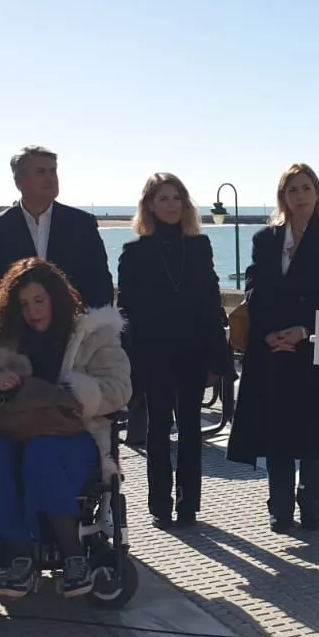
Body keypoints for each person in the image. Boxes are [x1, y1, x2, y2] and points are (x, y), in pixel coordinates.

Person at [0, 258, 131, 598]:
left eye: (39, 301)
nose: (32, 311)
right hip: (11, 432)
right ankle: (19, 554)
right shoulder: (0, 337)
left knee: (41, 451)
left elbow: (119, 387)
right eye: (22, 304)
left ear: (56, 298)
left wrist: (75, 394)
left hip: (74, 435)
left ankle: (73, 553)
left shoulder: (93, 335)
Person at [226, 163, 319, 532]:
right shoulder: (265, 238)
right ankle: (279, 507)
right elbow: (254, 288)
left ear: (317, 193)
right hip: (272, 348)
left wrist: (303, 329)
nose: (300, 196)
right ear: (283, 196)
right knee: (277, 434)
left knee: (315, 436)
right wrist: (269, 333)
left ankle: (313, 505)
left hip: (315, 346)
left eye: (306, 188)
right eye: (292, 190)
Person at [117, 173, 232, 528]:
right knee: (157, 427)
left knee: (191, 428)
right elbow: (127, 310)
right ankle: (159, 503)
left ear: (185, 205)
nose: (170, 204)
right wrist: (132, 358)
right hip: (153, 352)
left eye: (176, 198)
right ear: (150, 205)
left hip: (194, 349)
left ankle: (188, 502)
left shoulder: (199, 247)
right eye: (163, 198)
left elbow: (212, 301)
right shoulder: (133, 252)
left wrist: (218, 356)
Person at [0, 145, 113, 319]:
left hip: (75, 334)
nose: (51, 178)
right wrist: (7, 328)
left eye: (53, 171)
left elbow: (100, 282)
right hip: (17, 335)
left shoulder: (82, 224)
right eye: (41, 172)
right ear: (19, 181)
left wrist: (86, 329)